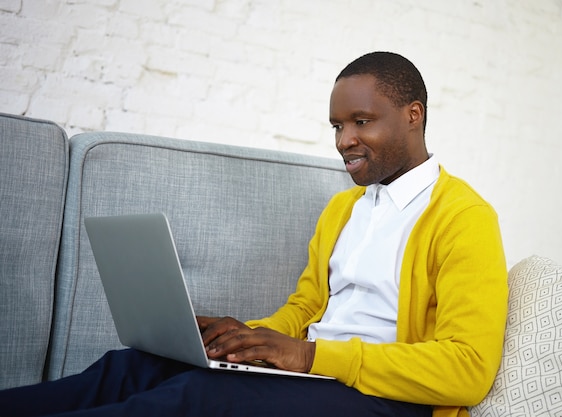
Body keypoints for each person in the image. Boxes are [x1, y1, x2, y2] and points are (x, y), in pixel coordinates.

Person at [0, 52, 508, 417]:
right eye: (336, 125)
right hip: (315, 376)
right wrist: (242, 338)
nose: (344, 141)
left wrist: (309, 357)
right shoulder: (344, 208)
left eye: (361, 121)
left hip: (384, 399)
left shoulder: (463, 217)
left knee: (197, 400)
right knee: (133, 366)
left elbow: (468, 368)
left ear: (412, 115)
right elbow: (305, 309)